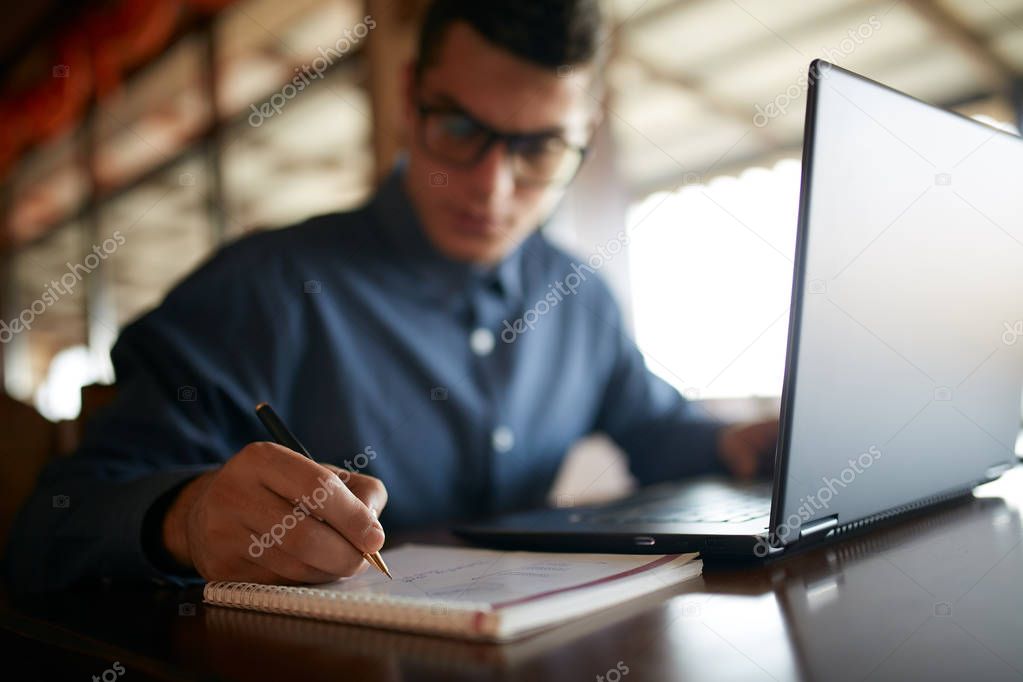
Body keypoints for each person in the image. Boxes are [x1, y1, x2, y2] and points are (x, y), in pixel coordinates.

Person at [4, 0, 778, 592]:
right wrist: (185, 519)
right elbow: (53, 521)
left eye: (539, 147)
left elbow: (648, 419)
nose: (491, 187)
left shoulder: (579, 300)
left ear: (584, 133)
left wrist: (733, 442)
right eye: (459, 129)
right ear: (410, 98)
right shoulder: (261, 292)